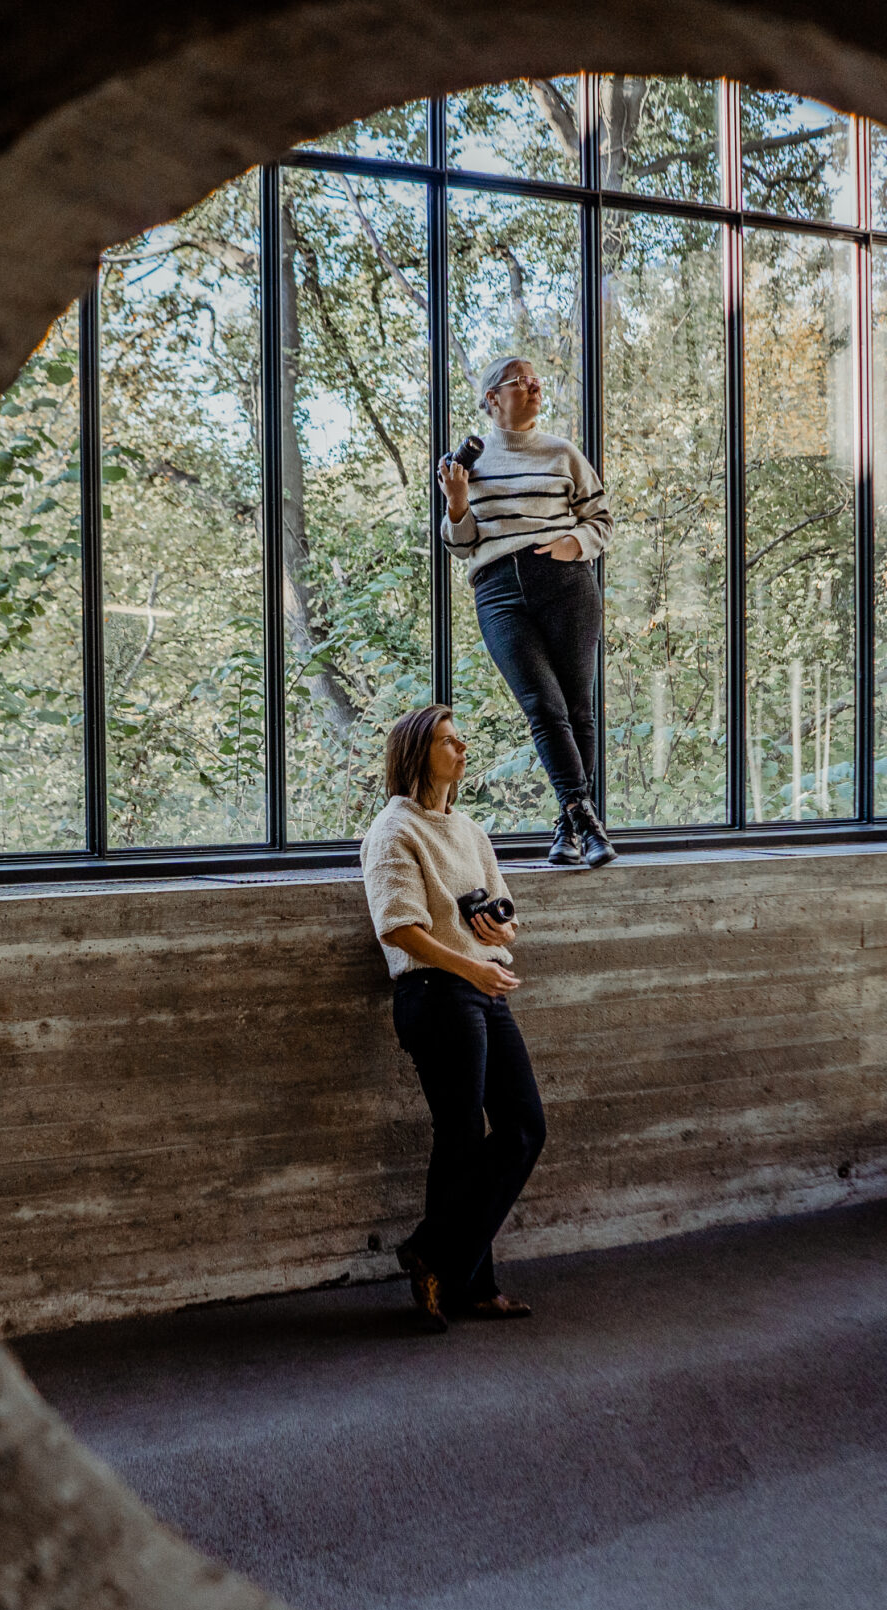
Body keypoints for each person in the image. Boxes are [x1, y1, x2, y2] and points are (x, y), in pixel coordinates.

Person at [360, 703, 546, 1333]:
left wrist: (499, 929)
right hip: (437, 994)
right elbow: (398, 928)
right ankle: (470, 1283)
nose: (463, 750)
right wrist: (472, 967)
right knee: (462, 1136)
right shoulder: (394, 831)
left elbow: (508, 918)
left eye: (463, 740)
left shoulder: (470, 830)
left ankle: (435, 1254)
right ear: (417, 752)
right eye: (449, 741)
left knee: (523, 1127)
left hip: (485, 987)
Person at [439, 354, 618, 869]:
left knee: (576, 709)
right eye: (521, 381)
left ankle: (570, 826)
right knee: (543, 706)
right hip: (497, 592)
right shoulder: (466, 464)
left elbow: (601, 518)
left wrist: (571, 544)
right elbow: (461, 544)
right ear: (492, 398)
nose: (534, 386)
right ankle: (586, 822)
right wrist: (456, 502)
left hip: (566, 585)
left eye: (537, 380)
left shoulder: (562, 453)